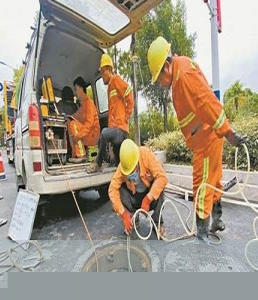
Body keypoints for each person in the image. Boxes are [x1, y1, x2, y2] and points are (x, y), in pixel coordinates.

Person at [147, 36, 247, 242]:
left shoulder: (183, 74)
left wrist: (228, 133)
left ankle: (201, 237)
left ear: (167, 66)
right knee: (212, 181)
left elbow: (207, 102)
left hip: (206, 139)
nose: (159, 83)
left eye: (159, 78)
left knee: (201, 187)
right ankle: (217, 220)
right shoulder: (179, 74)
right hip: (205, 137)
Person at [108, 139, 167, 238]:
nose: (131, 175)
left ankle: (158, 223)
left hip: (149, 195)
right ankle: (132, 220)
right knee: (120, 190)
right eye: (128, 173)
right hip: (134, 197)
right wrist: (123, 214)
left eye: (133, 170)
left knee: (159, 188)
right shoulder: (123, 166)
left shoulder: (146, 154)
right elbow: (112, 189)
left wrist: (148, 199)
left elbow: (162, 177)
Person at [87, 54, 134, 173]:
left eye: (103, 73)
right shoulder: (109, 87)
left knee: (104, 133)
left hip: (120, 130)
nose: (102, 77)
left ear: (109, 70)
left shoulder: (115, 79)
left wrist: (127, 116)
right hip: (116, 131)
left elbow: (129, 93)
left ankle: (97, 163)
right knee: (118, 168)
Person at [67, 77, 100, 164]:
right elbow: (75, 116)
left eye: (76, 89)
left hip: (93, 135)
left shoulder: (89, 103)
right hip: (88, 134)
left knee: (73, 124)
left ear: (81, 89)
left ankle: (81, 155)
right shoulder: (82, 106)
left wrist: (78, 136)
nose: (75, 93)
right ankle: (75, 154)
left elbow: (89, 125)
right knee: (70, 123)